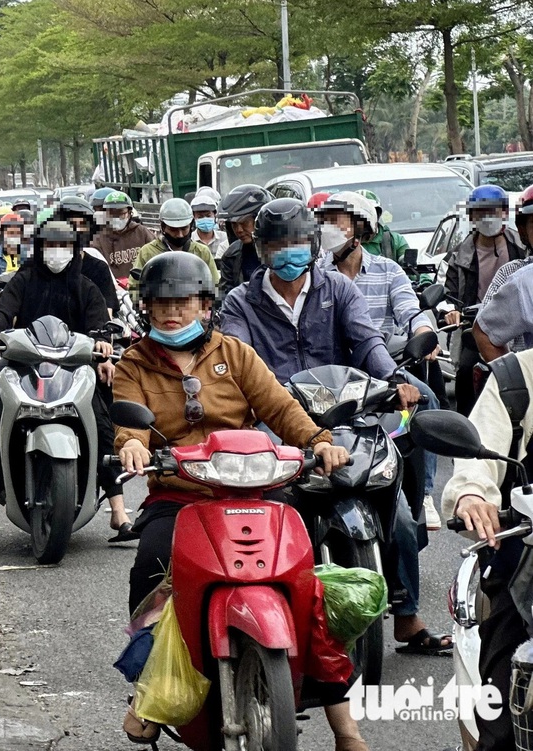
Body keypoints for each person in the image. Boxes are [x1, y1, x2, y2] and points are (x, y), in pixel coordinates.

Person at [114, 251, 366, 751]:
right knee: (149, 567)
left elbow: (278, 406)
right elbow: (129, 424)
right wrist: (134, 444)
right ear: (146, 307)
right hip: (181, 495)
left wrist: (318, 440)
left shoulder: (236, 353)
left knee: (307, 580)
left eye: (183, 301)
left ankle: (345, 725)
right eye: (161, 302)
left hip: (255, 488)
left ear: (204, 304)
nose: (172, 311)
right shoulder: (133, 363)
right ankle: (147, 692)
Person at [220, 197, 453, 656]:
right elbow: (239, 361)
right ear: (261, 250)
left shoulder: (338, 290)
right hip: (278, 423)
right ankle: (271, 609)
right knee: (268, 511)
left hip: (348, 413)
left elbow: (366, 340)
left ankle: (406, 615)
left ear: (312, 245)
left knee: (401, 517)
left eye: (297, 243)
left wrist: (393, 378)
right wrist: (269, 401)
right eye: (277, 245)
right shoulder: (240, 302)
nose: (288, 253)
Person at [0, 219, 134, 542]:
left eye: (64, 246)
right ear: (40, 249)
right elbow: (2, 311)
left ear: (74, 250)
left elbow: (101, 323)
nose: (57, 252)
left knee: (100, 416)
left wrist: (103, 348)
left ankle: (119, 509)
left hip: (75, 367)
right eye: (51, 246)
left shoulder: (86, 286)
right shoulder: (24, 280)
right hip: (25, 364)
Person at [315, 191, 443, 531]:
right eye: (324, 221)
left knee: (426, 399)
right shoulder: (315, 274)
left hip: (382, 373)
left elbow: (411, 311)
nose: (327, 228)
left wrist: (423, 331)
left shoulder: (388, 270)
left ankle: (425, 493)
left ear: (359, 229)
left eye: (336, 221)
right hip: (324, 377)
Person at [442, 348, 533, 751]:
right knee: (503, 714)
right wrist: (472, 495)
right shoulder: (517, 378)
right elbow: (476, 457)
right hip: (526, 567)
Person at [444, 184, 528, 415]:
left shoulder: (521, 252)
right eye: (481, 212)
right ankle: (466, 429)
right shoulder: (458, 256)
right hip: (478, 327)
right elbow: (447, 292)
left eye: (493, 211)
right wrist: (452, 311)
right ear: (472, 217)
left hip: (520, 329)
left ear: (505, 214)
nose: (488, 218)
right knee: (465, 371)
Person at [474, 184, 533, 361]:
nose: (488, 218)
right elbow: (484, 330)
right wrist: (515, 378)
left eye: (493, 212)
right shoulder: (519, 277)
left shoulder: (513, 245)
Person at [130, 198, 219, 300]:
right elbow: (134, 288)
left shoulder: (202, 252)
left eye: (184, 228)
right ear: (163, 227)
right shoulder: (148, 252)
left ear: (191, 225)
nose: (180, 235)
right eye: (174, 230)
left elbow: (214, 285)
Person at [54, 197, 120, 316]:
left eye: (82, 225)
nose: (76, 230)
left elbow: (106, 317)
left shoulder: (99, 269)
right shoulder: (35, 268)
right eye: (70, 224)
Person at [216, 183, 274, 297]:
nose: (239, 230)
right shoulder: (231, 255)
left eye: (244, 223)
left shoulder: (281, 249)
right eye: (234, 224)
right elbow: (226, 296)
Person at [92, 190, 155, 281]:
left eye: (121, 213)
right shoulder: (99, 239)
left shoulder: (141, 232)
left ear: (129, 213)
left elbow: (156, 254)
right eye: (112, 213)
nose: (116, 218)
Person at [356, 189, 412, 267]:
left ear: (377, 215)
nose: (363, 218)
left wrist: (425, 279)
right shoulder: (341, 243)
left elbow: (414, 270)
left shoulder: (395, 241)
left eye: (368, 212)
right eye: (357, 214)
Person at [189, 188, 228, 259]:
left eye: (208, 216)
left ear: (215, 215)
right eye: (200, 217)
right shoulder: (190, 240)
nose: (205, 219)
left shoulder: (224, 238)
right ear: (194, 217)